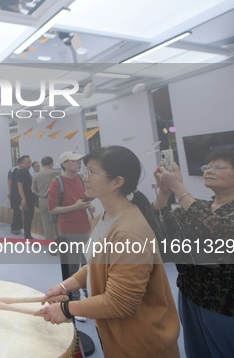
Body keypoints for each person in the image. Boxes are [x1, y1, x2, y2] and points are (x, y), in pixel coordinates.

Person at [36, 146, 180, 357]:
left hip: (140, 340)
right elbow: (95, 265)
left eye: (91, 172)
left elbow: (120, 302)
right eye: (85, 171)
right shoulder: (103, 218)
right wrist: (65, 285)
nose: (85, 178)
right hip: (114, 332)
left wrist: (67, 309)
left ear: (117, 182)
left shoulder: (129, 233)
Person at [153, 150, 234, 357]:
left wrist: (178, 187)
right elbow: (158, 225)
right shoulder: (199, 208)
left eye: (219, 167)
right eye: (208, 167)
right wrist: (164, 192)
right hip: (190, 294)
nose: (209, 171)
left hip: (227, 303)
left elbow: (218, 228)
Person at [48, 151, 93, 298]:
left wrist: (87, 204)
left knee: (87, 265)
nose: (79, 163)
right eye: (75, 161)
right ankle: (74, 300)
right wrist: (75, 206)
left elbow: (83, 198)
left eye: (80, 160)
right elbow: (52, 209)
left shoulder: (80, 178)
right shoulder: (57, 182)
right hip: (68, 230)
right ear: (65, 164)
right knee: (72, 268)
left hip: (85, 227)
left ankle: (88, 293)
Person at [31, 156, 59, 241]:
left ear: (42, 165)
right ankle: (62, 245)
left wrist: (41, 193)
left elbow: (33, 189)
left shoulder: (36, 176)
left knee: (47, 224)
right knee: (59, 223)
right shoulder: (57, 173)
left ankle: (51, 248)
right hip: (56, 200)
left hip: (42, 200)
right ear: (52, 163)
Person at [8, 155, 34, 238]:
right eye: (28, 162)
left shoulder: (26, 171)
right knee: (17, 212)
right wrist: (10, 192)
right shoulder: (17, 170)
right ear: (21, 162)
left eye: (30, 162)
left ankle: (21, 229)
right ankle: (17, 229)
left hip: (25, 195)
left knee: (25, 215)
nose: (30, 163)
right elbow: (11, 181)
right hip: (18, 195)